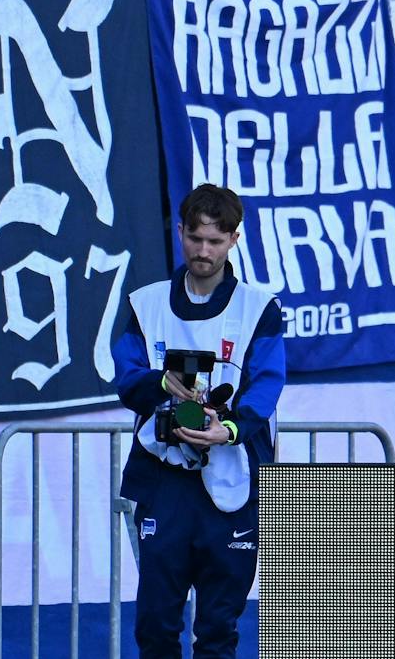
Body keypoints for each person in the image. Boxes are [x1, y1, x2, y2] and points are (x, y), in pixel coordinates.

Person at [113, 184, 285, 659]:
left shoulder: (259, 307)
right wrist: (163, 383)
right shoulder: (144, 303)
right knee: (155, 623)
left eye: (215, 240)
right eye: (195, 238)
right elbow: (125, 379)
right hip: (164, 480)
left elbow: (268, 384)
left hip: (234, 477)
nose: (203, 251)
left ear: (234, 239)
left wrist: (229, 429)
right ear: (180, 233)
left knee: (217, 628)